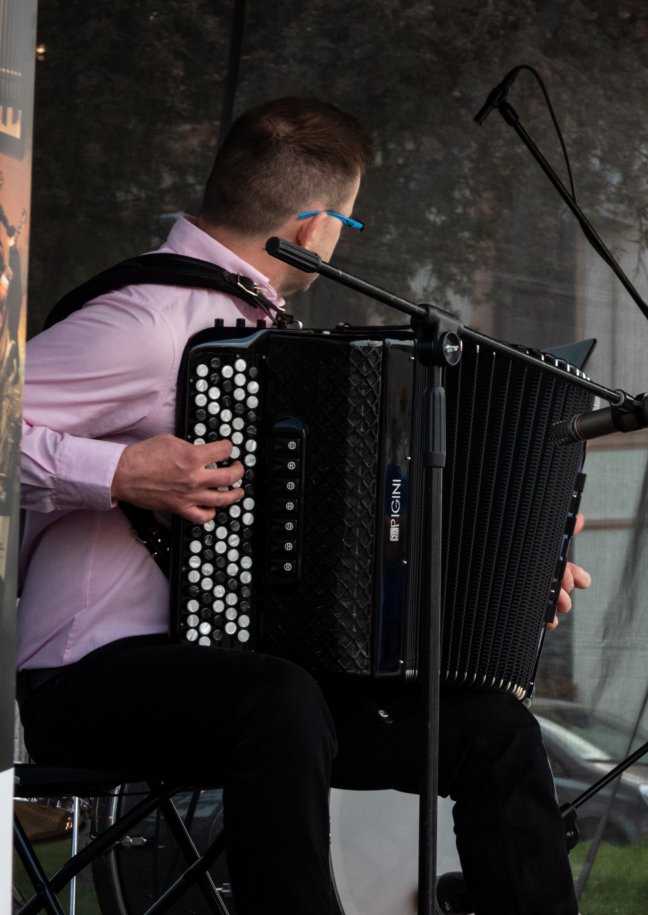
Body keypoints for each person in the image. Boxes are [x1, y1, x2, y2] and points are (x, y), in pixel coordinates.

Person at [19, 97, 588, 915]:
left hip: (256, 684)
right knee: (275, 699)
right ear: (317, 228)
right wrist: (118, 472)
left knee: (491, 728)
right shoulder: (146, 322)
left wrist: (514, 572)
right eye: (348, 223)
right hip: (86, 678)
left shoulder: (268, 337)